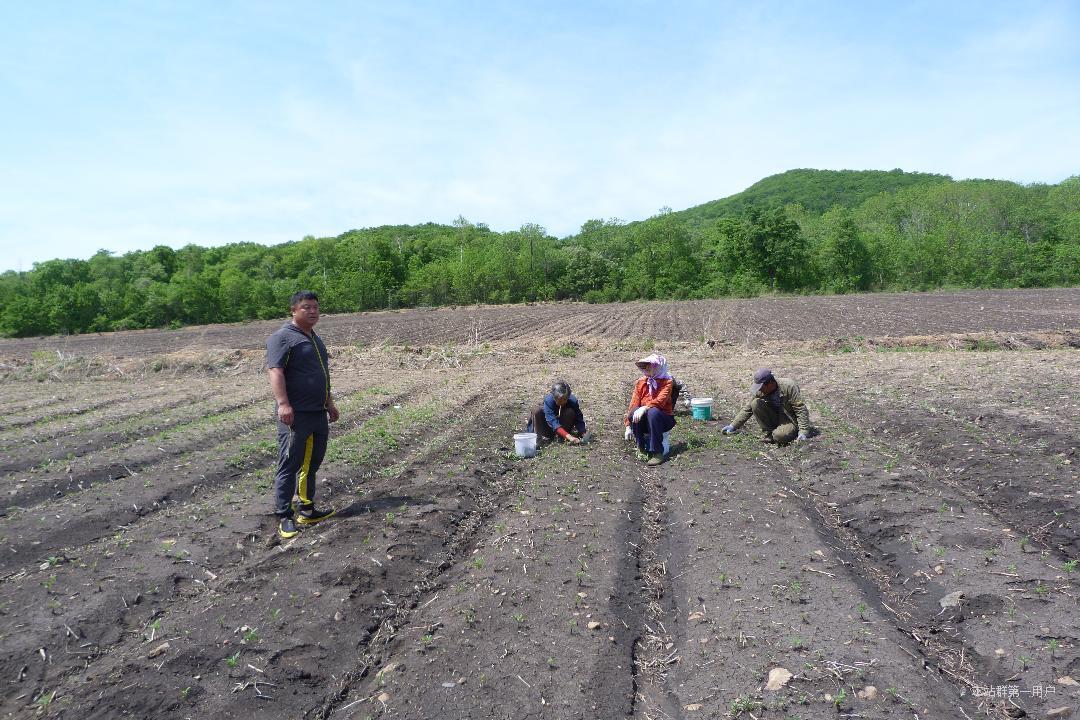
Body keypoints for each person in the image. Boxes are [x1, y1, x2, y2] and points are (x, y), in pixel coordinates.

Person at [266, 291, 341, 539]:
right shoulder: (283, 337)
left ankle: (307, 511)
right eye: (306, 307)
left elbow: (323, 375)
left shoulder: (315, 339)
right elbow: (275, 371)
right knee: (290, 464)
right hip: (296, 415)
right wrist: (283, 403)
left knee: (312, 463)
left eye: (316, 308)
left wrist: (329, 403)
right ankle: (284, 515)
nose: (312, 311)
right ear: (293, 311)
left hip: (317, 412)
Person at [722, 367, 811, 444]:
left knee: (779, 436)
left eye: (762, 387)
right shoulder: (761, 391)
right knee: (755, 403)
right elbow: (748, 409)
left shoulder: (789, 386)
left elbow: (800, 409)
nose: (760, 390)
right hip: (774, 416)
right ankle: (770, 432)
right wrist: (733, 425)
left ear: (770, 383)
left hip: (789, 419)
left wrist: (803, 432)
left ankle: (782, 433)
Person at [625, 353, 677, 466]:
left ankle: (657, 452)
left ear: (659, 367)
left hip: (662, 419)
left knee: (653, 412)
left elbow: (660, 401)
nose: (647, 368)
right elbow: (634, 403)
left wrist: (645, 407)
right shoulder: (641, 382)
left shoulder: (667, 382)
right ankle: (641, 446)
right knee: (634, 412)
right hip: (645, 420)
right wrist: (628, 426)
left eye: (650, 365)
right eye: (645, 366)